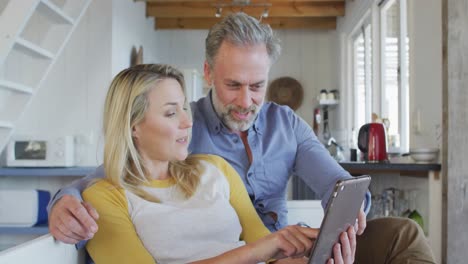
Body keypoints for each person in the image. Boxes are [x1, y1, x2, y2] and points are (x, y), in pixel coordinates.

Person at [48, 13, 435, 264]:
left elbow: (338, 184)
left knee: (402, 232)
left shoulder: (285, 124)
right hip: (259, 249)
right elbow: (110, 175)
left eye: (257, 86)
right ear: (209, 73)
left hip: (285, 246)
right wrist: (63, 199)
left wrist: (348, 221)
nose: (246, 101)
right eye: (233, 85)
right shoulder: (183, 132)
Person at [82, 63, 355, 263]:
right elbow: (262, 248)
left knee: (393, 233)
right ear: (133, 127)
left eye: (185, 109)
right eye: (170, 113)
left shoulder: (214, 169)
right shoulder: (105, 197)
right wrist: (257, 251)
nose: (187, 122)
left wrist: (315, 257)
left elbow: (273, 254)